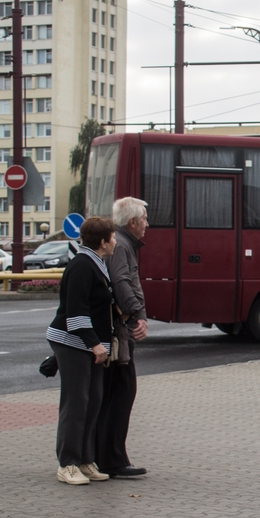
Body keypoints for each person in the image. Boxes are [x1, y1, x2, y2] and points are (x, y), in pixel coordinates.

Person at [46, 217, 118, 486]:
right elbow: (76, 312)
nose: (115, 241)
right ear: (103, 241)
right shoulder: (81, 265)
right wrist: (94, 343)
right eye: (113, 237)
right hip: (74, 342)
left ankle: (86, 459)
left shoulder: (96, 263)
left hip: (89, 345)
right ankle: (67, 463)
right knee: (76, 403)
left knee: (93, 401)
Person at [94, 197, 150, 479]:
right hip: (119, 331)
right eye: (144, 219)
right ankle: (112, 459)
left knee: (115, 393)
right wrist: (138, 313)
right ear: (133, 222)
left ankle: (105, 456)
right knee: (122, 392)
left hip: (116, 328)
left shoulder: (122, 244)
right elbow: (122, 281)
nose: (147, 224)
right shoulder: (123, 246)